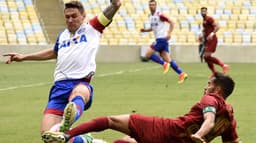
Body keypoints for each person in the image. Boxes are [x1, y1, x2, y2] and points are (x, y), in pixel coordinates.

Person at [3, 0, 121, 143]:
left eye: (74, 16)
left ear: (83, 16)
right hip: (59, 88)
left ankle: (69, 116)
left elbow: (112, 9)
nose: (70, 20)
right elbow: (53, 53)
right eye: (67, 17)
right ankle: (85, 140)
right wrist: (24, 57)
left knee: (79, 93)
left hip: (80, 83)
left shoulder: (92, 27)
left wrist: (115, 4)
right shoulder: (63, 35)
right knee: (50, 137)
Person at [42, 72, 241, 143]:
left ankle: (67, 135)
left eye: (209, 83)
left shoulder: (210, 100)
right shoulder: (230, 117)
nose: (205, 87)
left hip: (165, 130)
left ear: (217, 88)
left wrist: (199, 135)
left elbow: (209, 120)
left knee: (109, 121)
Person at [140, 0, 188, 84]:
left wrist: (169, 33)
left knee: (147, 55)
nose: (152, 6)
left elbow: (172, 22)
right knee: (168, 60)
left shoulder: (159, 15)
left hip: (161, 39)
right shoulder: (150, 16)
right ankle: (182, 74)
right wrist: (145, 30)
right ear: (148, 6)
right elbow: (153, 28)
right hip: (162, 40)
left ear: (156, 6)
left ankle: (164, 64)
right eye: (150, 5)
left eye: (153, 5)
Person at [200, 7, 229, 75]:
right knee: (206, 58)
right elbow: (206, 29)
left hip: (212, 40)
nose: (203, 12)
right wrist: (202, 35)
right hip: (207, 41)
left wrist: (212, 34)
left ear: (206, 12)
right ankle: (214, 73)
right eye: (202, 11)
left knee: (207, 56)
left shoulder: (209, 19)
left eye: (204, 11)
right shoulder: (204, 20)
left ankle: (224, 65)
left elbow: (218, 26)